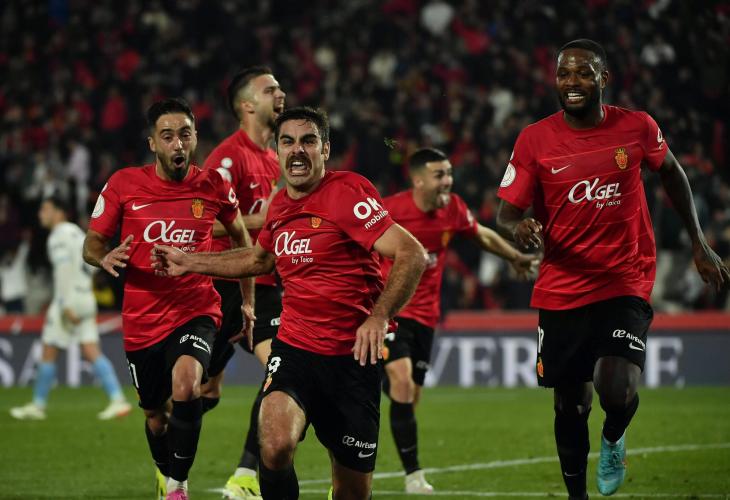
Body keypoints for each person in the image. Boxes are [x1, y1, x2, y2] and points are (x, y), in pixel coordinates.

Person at [152, 106, 428, 500]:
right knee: (275, 442)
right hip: (295, 350)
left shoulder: (348, 192)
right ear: (278, 151)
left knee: (351, 491)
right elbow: (259, 259)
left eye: (308, 141)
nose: (297, 150)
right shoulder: (280, 204)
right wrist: (189, 260)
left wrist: (379, 316)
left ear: (325, 149)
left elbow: (411, 253)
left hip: (352, 360)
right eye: (287, 142)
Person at [495, 39, 730, 499]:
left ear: (603, 78)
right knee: (570, 404)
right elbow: (506, 212)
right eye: (564, 73)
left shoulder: (637, 126)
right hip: (562, 284)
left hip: (624, 276)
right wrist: (518, 226)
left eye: (583, 73)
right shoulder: (533, 139)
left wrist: (699, 241)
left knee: (615, 387)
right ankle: (577, 497)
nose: (572, 82)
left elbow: (672, 173)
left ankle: (613, 436)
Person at [82, 98, 253, 500]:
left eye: (185, 134)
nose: (178, 143)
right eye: (168, 136)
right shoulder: (124, 184)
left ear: (195, 138)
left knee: (188, 383)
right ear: (153, 143)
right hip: (142, 318)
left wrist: (248, 301)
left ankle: (178, 485)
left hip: (196, 307)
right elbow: (92, 243)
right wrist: (103, 257)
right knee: (155, 417)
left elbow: (243, 240)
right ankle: (165, 473)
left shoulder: (214, 185)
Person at [379, 147, 537, 493]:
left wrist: (514, 256)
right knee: (402, 382)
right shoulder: (390, 211)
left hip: (426, 318)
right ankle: (413, 476)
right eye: (439, 174)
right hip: (391, 312)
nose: (448, 180)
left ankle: (376, 380)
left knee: (410, 395)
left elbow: (480, 234)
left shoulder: (452, 208)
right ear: (418, 180)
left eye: (449, 173)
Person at [202, 66, 285, 500]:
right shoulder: (227, 159)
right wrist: (262, 219)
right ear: (247, 105)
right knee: (203, 392)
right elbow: (205, 225)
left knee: (280, 369)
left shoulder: (275, 158)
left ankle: (245, 475)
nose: (281, 93)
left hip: (264, 284)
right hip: (221, 286)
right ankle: (167, 450)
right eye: (271, 89)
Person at [10, 195, 132, 421]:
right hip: (85, 296)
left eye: (45, 209)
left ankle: (37, 405)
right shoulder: (77, 233)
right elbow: (93, 266)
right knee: (91, 350)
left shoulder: (58, 236)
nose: (41, 214)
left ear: (59, 212)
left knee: (48, 351)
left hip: (68, 299)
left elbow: (63, 270)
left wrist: (65, 304)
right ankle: (118, 399)